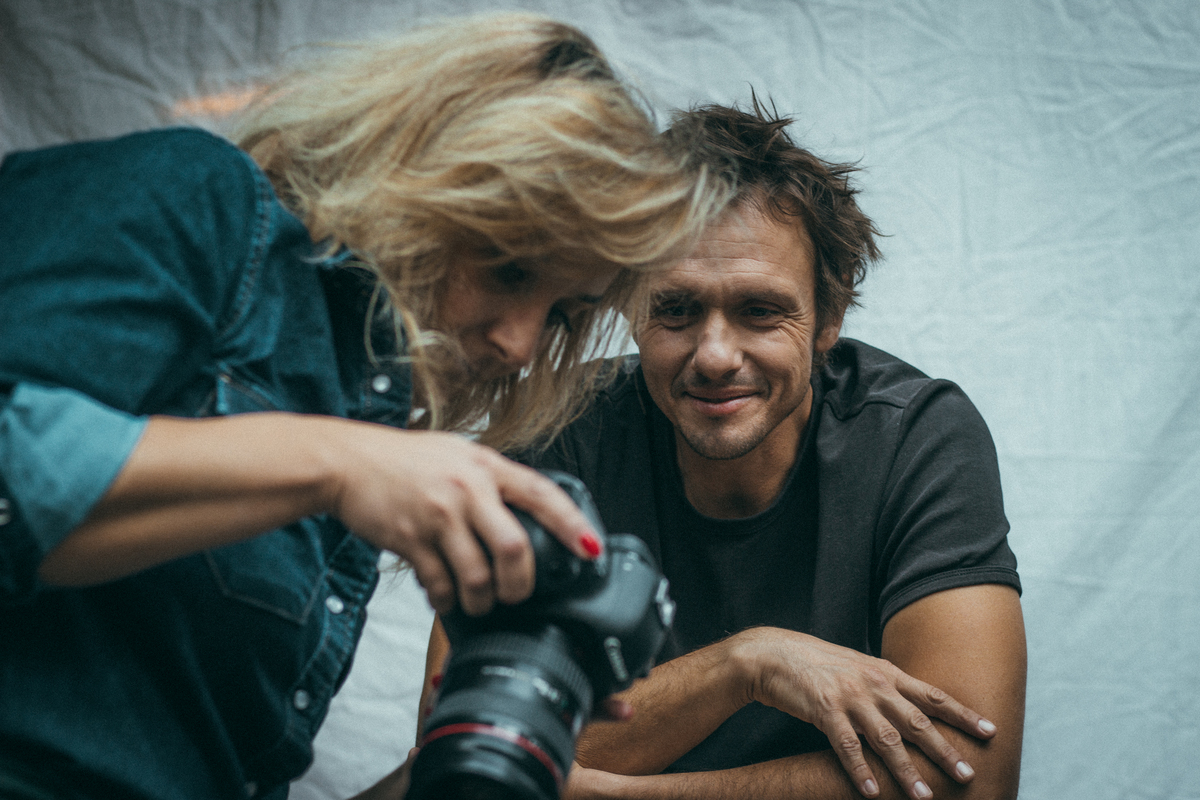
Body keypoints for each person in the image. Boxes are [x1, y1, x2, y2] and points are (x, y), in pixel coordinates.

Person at [0, 13, 726, 800]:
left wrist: (471, 752)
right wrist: (336, 465)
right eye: (509, 269)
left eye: (561, 314)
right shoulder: (200, 198)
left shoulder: (362, 416)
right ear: (422, 178)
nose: (521, 346)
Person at [423, 101, 1026, 800]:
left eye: (759, 311)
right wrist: (747, 665)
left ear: (828, 318)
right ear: (629, 307)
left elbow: (969, 779)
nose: (714, 356)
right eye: (675, 309)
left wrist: (614, 795)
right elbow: (464, 753)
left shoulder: (916, 437)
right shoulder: (554, 434)